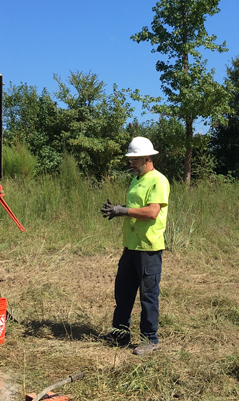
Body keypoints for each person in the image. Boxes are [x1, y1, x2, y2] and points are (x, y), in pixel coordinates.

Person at [100, 136, 170, 356]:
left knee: (148, 294)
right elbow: (135, 209)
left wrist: (122, 211)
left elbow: (152, 212)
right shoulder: (136, 180)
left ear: (147, 158)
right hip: (131, 246)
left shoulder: (158, 180)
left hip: (148, 248)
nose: (131, 162)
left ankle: (150, 340)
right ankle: (120, 334)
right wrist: (118, 210)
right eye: (130, 158)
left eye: (135, 159)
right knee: (123, 292)